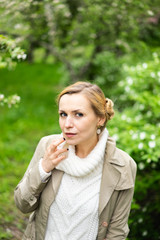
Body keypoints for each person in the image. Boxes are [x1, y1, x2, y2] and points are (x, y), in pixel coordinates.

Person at [14, 81, 137, 240]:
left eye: (78, 114)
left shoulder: (122, 165)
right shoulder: (49, 147)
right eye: (63, 114)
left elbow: (117, 232)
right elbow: (22, 204)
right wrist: (44, 167)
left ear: (99, 118)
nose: (67, 124)